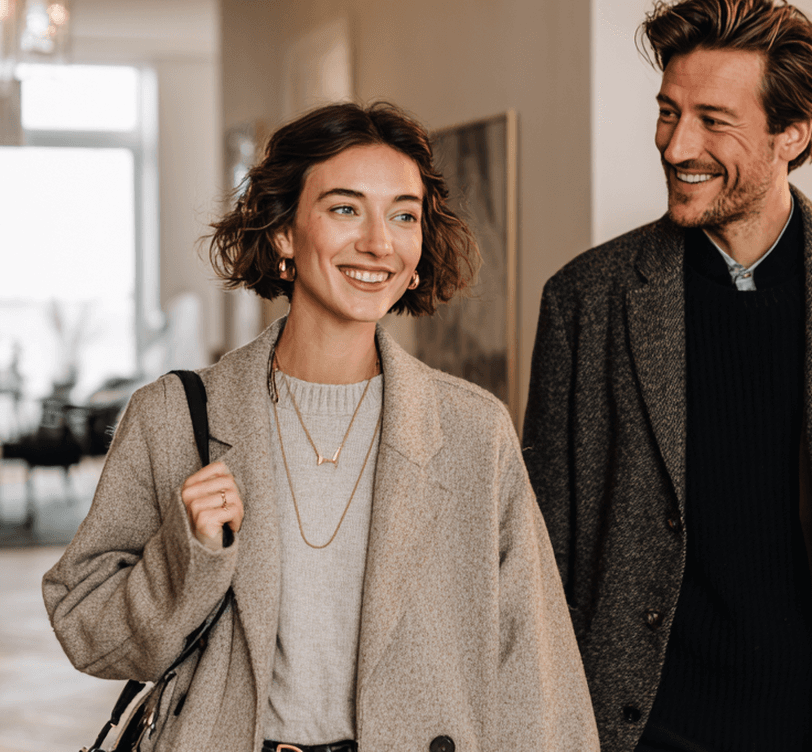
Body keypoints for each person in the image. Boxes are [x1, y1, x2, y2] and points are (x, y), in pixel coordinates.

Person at [44, 102, 598, 752]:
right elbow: (86, 628)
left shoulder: (474, 431)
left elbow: (534, 672)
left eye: (403, 215)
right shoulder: (173, 416)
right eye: (344, 208)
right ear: (283, 232)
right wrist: (186, 553)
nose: (378, 241)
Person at [522, 2, 812, 751]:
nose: (677, 145)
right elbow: (543, 540)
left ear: (793, 134)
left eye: (714, 120)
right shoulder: (586, 300)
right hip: (635, 731)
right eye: (668, 112)